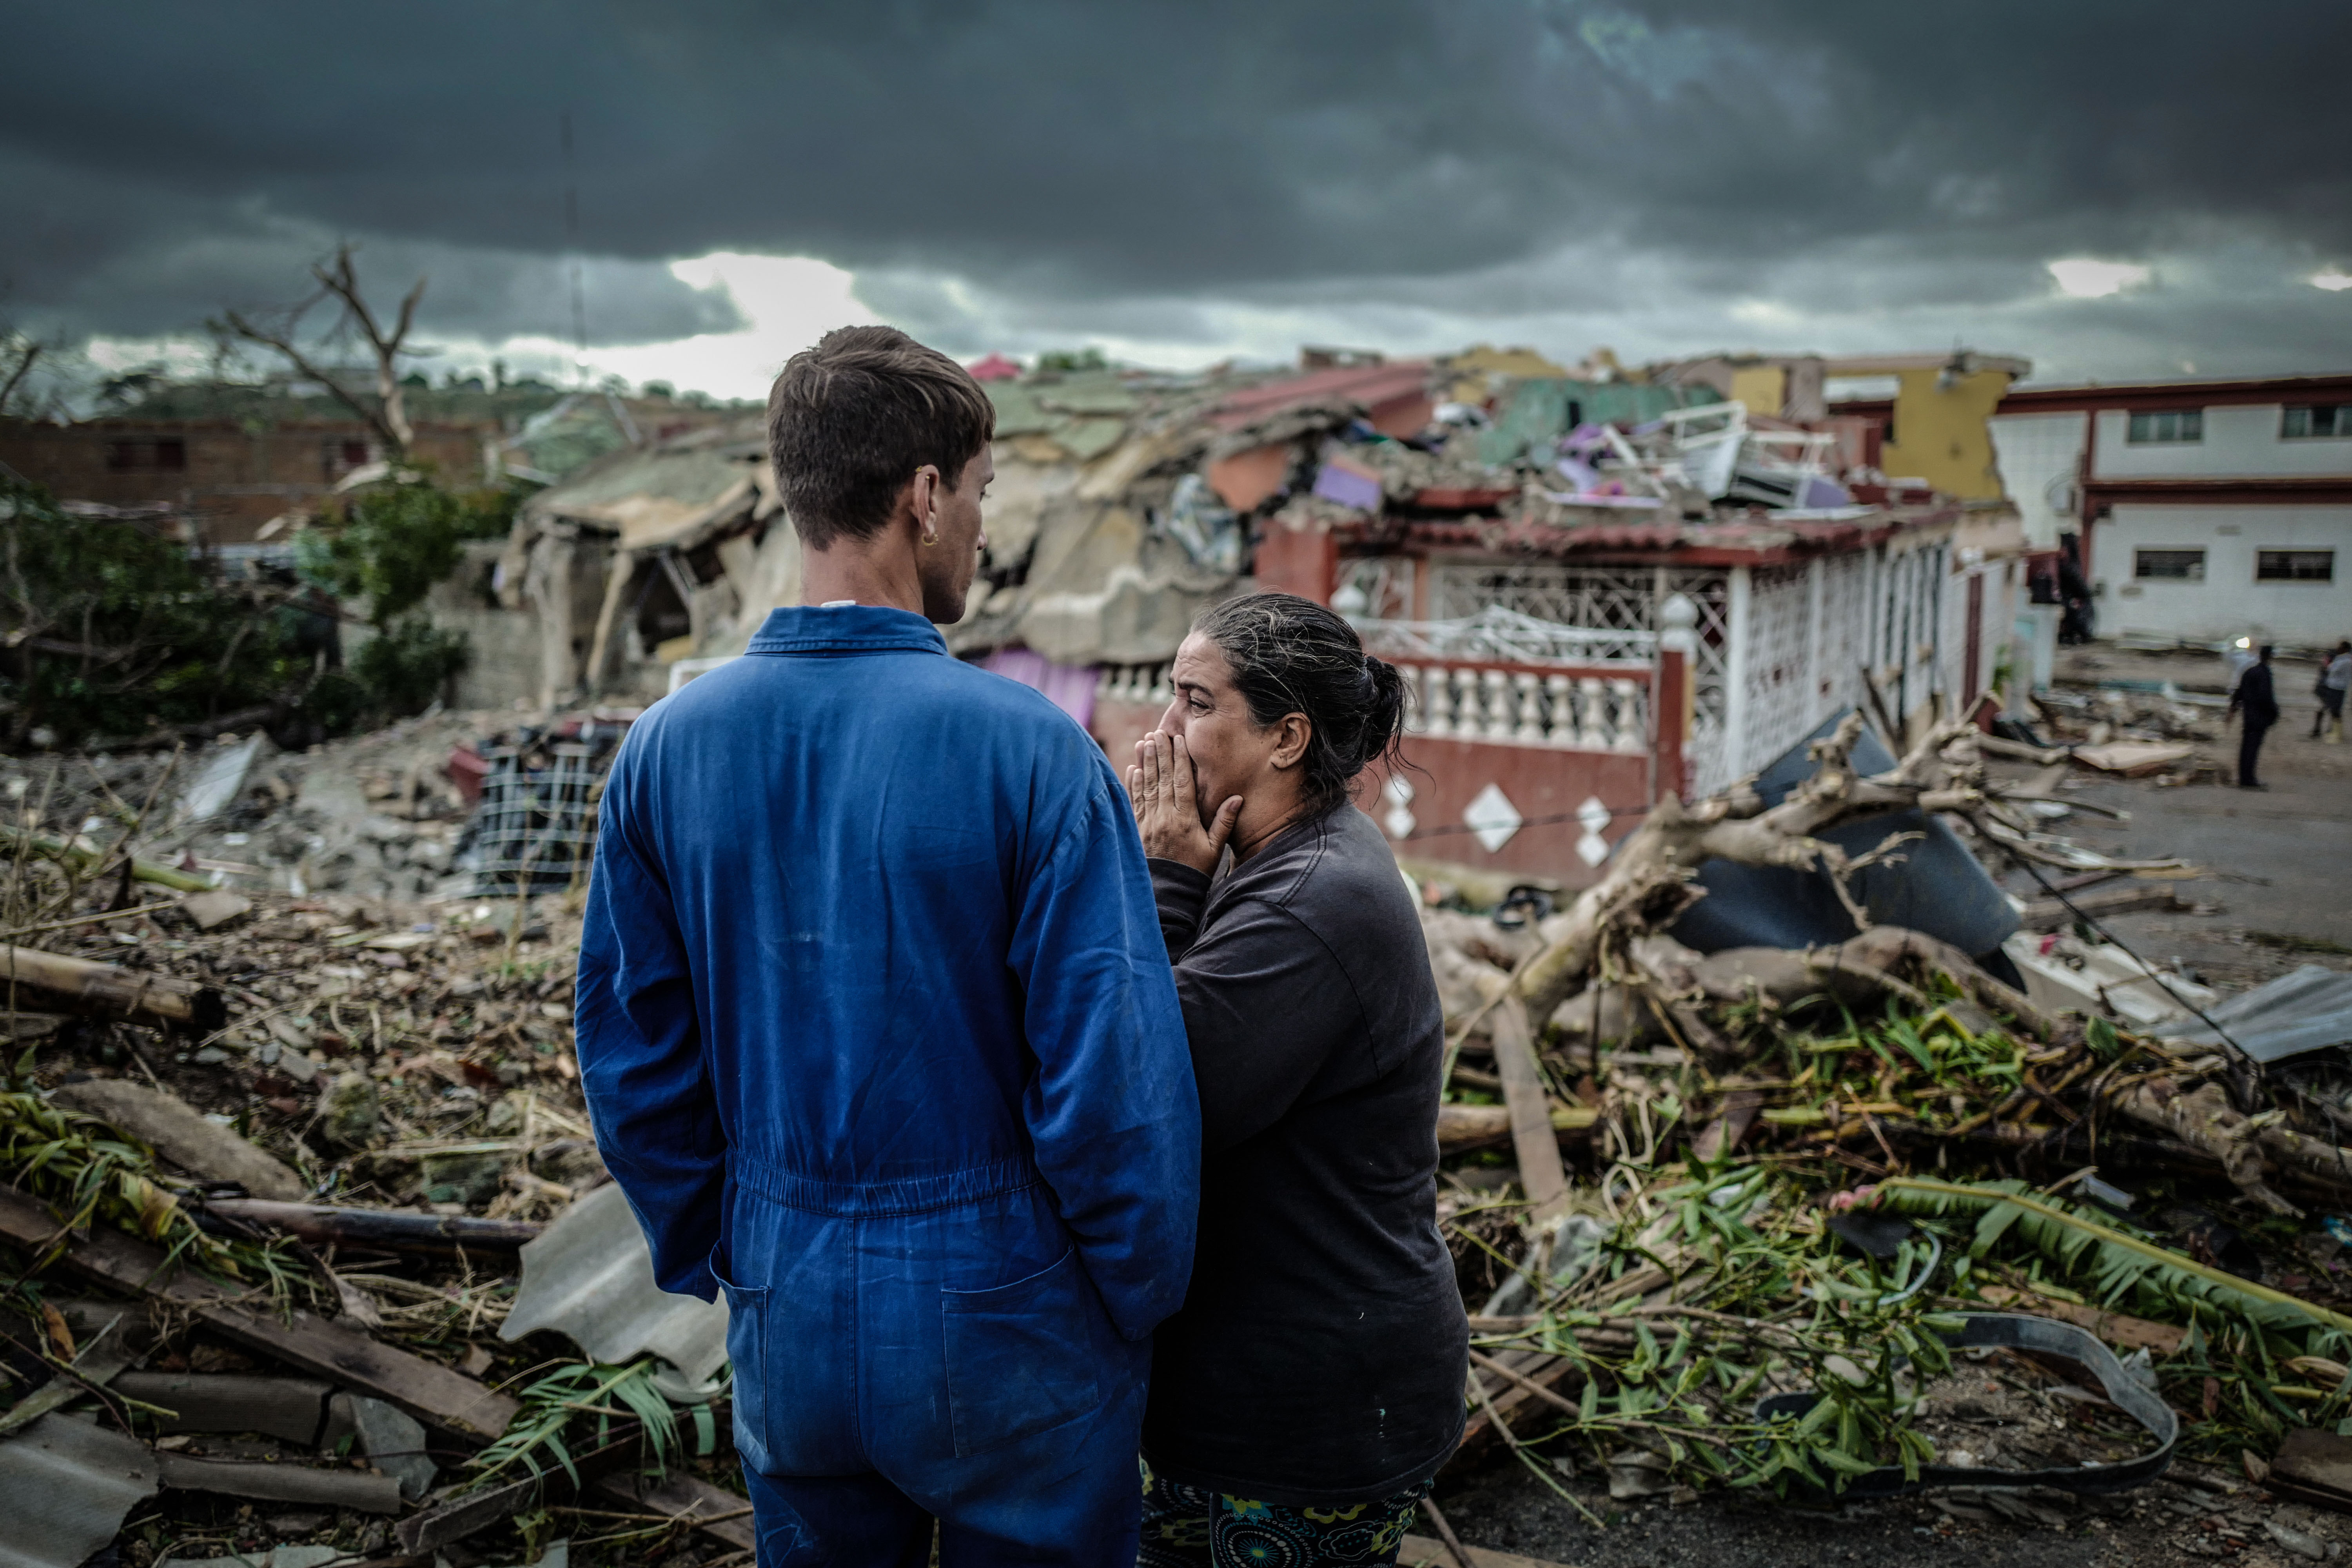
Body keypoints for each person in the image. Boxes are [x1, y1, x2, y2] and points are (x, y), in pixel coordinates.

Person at [575, 326, 1199, 1565]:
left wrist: (733, 1246)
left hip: (785, 1300)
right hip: (1006, 1308)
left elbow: (633, 1060)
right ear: (923, 495)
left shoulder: (663, 750)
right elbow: (1113, 1086)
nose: (982, 529)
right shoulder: (1030, 753)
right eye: (979, 495)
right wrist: (1134, 1301)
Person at [1125, 592, 1468, 1566]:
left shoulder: (1317, 899)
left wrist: (1165, 884)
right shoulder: (1257, 859)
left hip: (1309, 1407)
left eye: (1195, 702)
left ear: (1286, 737)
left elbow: (1153, 1093)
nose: (1163, 731)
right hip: (1249, 1388)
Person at [2229, 641, 2281, 789]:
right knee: (2252, 749)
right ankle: (2249, 780)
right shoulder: (2265, 674)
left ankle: (2244, 778)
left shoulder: (2250, 671)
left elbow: (2239, 692)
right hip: (2259, 717)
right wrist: (2274, 713)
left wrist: (2232, 709)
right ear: (2270, 657)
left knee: (2246, 748)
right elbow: (2266, 697)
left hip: (2248, 716)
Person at [2312, 640, 2350, 742]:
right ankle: (2331, 732)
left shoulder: (2345, 661)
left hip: (2336, 688)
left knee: (2329, 710)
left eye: (2341, 647)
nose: (2339, 649)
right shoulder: (2343, 659)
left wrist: (2329, 666)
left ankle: (2326, 732)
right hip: (2337, 688)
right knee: (2334, 711)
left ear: (2346, 649)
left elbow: (2331, 669)